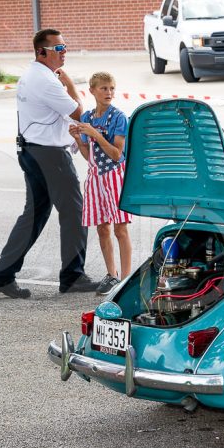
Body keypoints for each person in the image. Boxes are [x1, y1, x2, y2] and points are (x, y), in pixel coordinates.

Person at [0, 28, 98, 298]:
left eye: (65, 47)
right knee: (74, 212)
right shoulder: (46, 81)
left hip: (32, 150)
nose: (64, 53)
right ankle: (73, 277)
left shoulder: (32, 75)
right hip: (49, 155)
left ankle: (2, 275)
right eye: (58, 49)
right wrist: (69, 82)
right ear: (41, 51)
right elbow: (78, 111)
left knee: (34, 215)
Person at [69, 72, 132, 295]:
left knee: (120, 228)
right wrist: (79, 138)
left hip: (114, 175)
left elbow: (116, 154)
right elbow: (88, 156)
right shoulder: (86, 117)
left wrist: (95, 133)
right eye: (104, 88)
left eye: (112, 88)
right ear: (92, 90)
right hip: (95, 176)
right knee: (102, 227)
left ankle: (126, 278)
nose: (109, 93)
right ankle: (111, 274)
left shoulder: (118, 117)